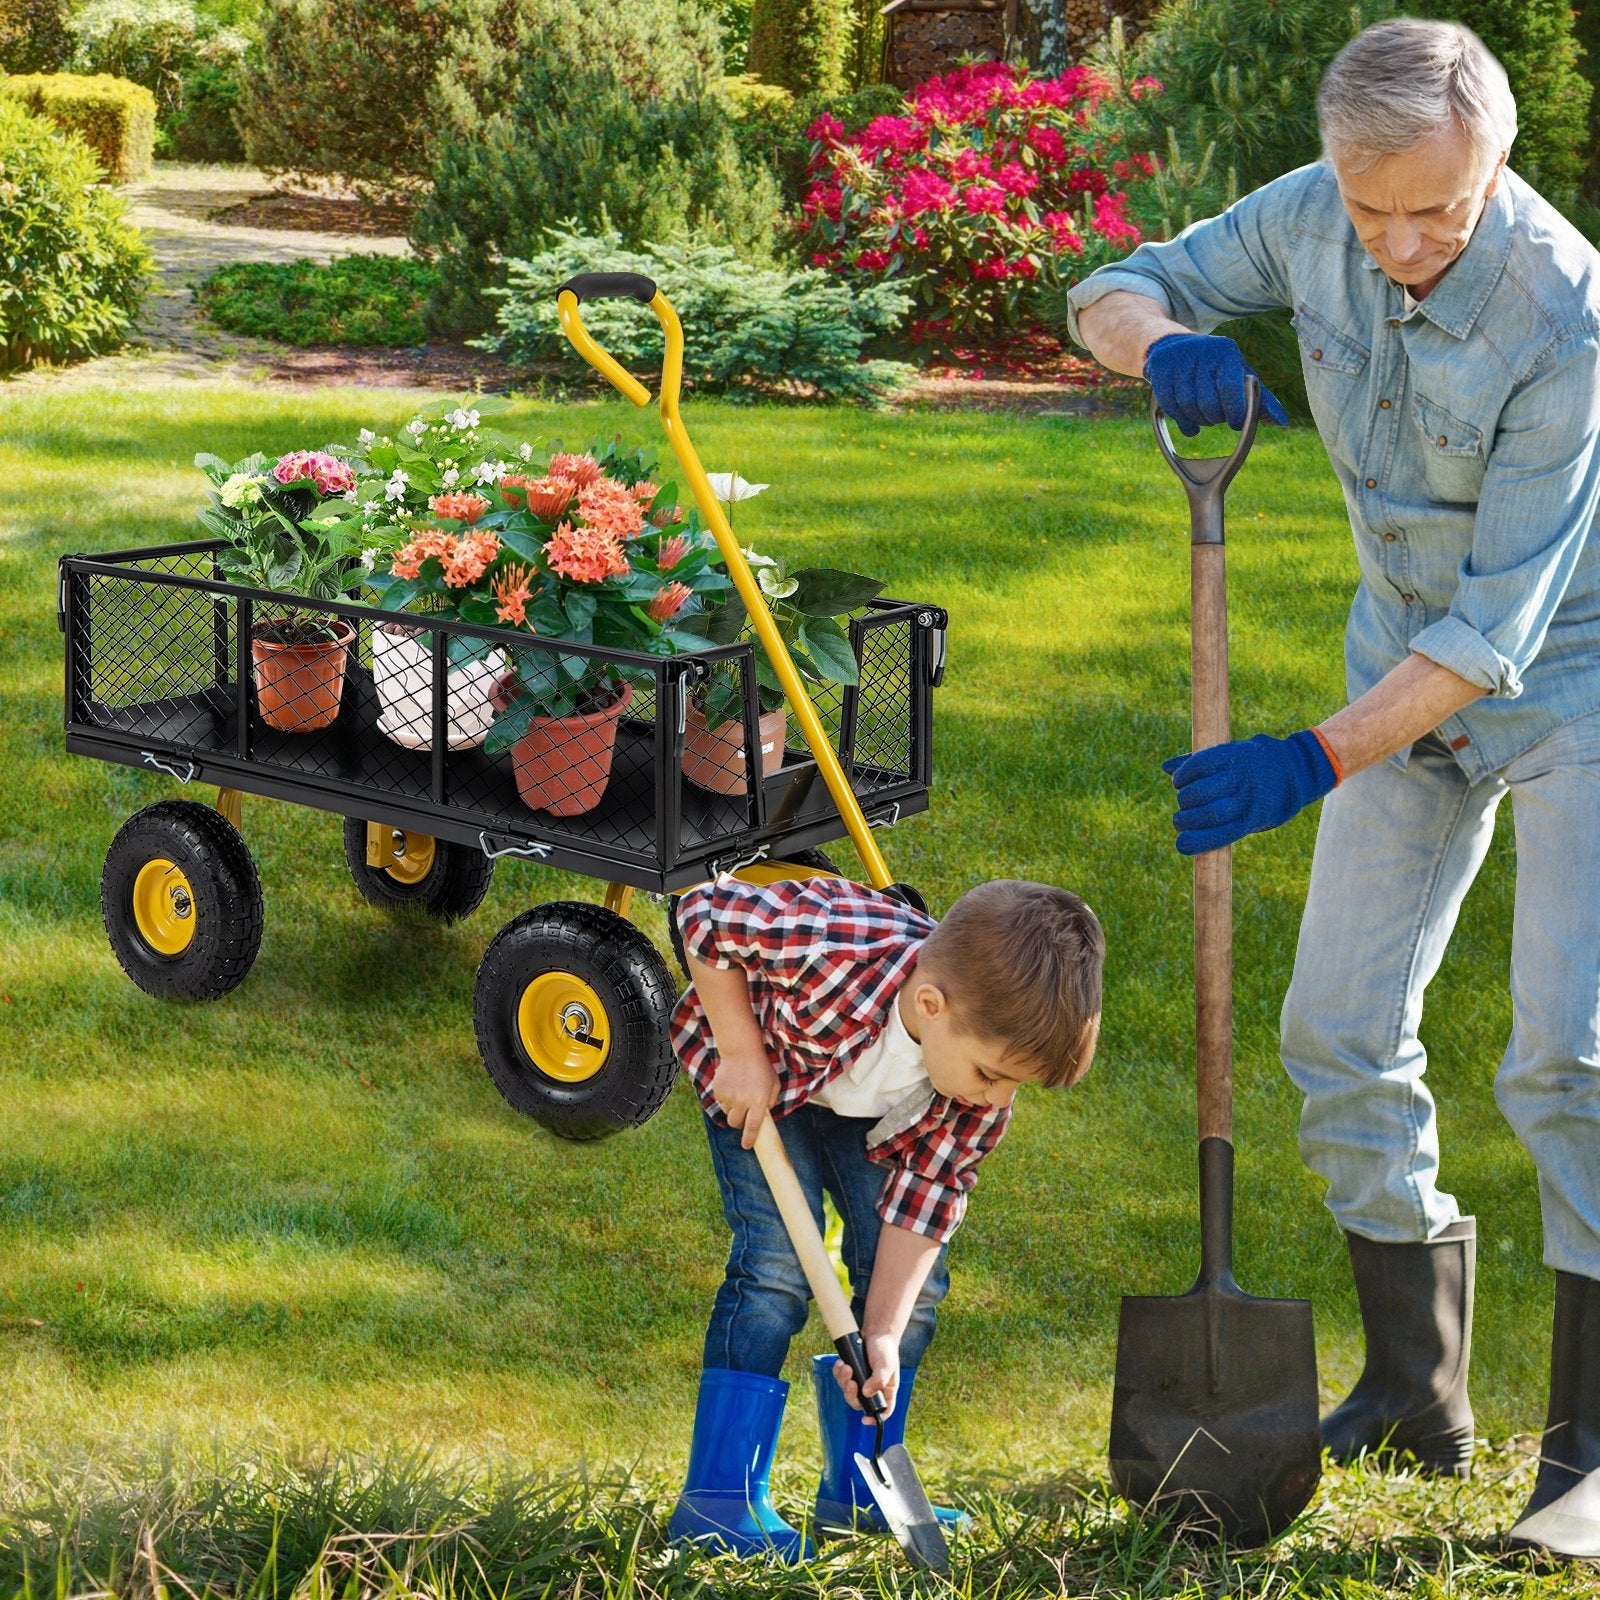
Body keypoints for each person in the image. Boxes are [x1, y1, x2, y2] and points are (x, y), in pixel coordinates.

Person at [1067, 17, 1600, 1558]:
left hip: (1570, 677)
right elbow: (1109, 284)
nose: (1404, 242)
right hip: (1398, 662)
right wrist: (1156, 339)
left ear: (1493, 164)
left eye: (1439, 208)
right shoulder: (1315, 214)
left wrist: (1306, 759)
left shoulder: (1563, 312)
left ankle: (1588, 1457)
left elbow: (1495, 633)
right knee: (1335, 1031)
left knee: (1568, 1056)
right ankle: (1420, 1392)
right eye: (1377, 212)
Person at [665, 871, 1104, 1559]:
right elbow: (703, 913)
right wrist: (741, 1051)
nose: (997, 1099)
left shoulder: (975, 1094)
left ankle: (859, 1486)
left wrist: (883, 1336)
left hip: (864, 1110)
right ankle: (717, 1499)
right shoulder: (831, 949)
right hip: (764, 1078)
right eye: (992, 1074)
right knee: (776, 1271)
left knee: (911, 1296)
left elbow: (928, 1197)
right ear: (931, 1005)